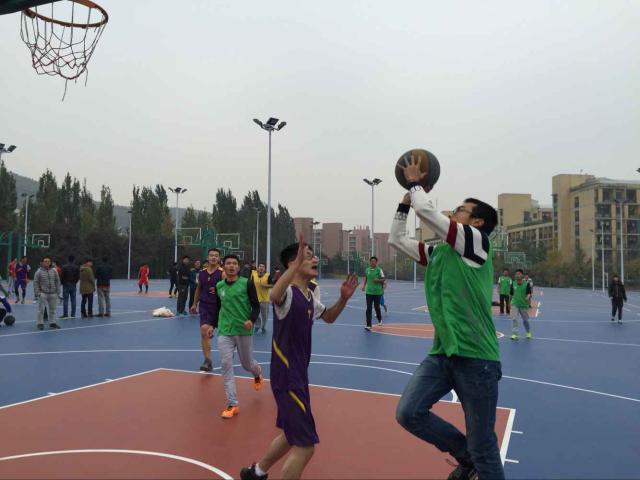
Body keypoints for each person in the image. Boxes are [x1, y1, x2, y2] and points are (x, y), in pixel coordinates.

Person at [389, 155, 504, 480]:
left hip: (477, 358)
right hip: (443, 353)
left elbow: (429, 213)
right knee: (409, 413)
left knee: (484, 445)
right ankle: (467, 457)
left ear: (477, 222)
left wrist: (416, 184)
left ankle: (475, 457)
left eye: (460, 210)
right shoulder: (440, 251)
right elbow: (396, 240)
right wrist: (404, 204)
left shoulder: (477, 244)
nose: (453, 212)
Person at [240, 239, 358, 480]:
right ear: (293, 263)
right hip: (288, 377)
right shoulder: (288, 294)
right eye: (309, 255)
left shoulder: (309, 295)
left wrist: (344, 298)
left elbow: (329, 317)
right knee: (305, 446)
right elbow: (274, 295)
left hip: (298, 375)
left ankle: (257, 472)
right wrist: (293, 268)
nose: (315, 259)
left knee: (290, 433)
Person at [213, 254, 263, 419]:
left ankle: (257, 372)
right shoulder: (219, 286)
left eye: (234, 263)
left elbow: (256, 306)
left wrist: (251, 320)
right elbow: (218, 307)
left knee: (247, 364)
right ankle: (233, 403)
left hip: (243, 330)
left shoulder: (246, 283)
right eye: (228, 263)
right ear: (224, 266)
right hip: (225, 330)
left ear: (238, 267)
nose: (231, 266)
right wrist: (212, 325)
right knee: (226, 364)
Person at [191, 249, 224, 372]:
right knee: (204, 331)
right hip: (204, 305)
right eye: (211, 255)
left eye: (216, 256)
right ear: (208, 257)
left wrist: (219, 290)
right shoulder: (202, 273)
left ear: (219, 258)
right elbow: (199, 288)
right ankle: (207, 360)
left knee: (225, 335)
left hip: (219, 307)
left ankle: (229, 353)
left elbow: (228, 289)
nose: (213, 257)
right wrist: (194, 303)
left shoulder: (222, 273)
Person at [33, 256, 61, 330]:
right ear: (42, 262)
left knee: (52, 310)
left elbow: (57, 281)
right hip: (43, 293)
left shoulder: (54, 271)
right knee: (41, 310)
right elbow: (35, 282)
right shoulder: (38, 272)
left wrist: (58, 292)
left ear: (50, 262)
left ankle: (52, 323)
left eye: (48, 261)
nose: (47, 262)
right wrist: (38, 293)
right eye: (45, 261)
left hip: (53, 293)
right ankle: (40, 323)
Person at [362, 256, 385, 330]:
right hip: (369, 292)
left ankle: (379, 319)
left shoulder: (379, 270)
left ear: (376, 262)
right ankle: (368, 325)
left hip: (377, 292)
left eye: (374, 261)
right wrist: (363, 286)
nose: (373, 262)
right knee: (368, 308)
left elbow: (383, 279)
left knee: (376, 307)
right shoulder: (367, 270)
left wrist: (377, 280)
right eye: (372, 261)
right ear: (370, 262)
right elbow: (366, 278)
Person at [510, 269, 532, 340]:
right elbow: (511, 294)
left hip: (523, 305)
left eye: (519, 274)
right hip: (515, 304)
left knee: (525, 320)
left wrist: (528, 297)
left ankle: (528, 332)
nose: (517, 275)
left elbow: (529, 293)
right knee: (514, 319)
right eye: (516, 274)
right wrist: (509, 303)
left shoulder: (527, 284)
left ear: (522, 275)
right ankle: (514, 334)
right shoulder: (513, 283)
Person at [251, 262, 271, 334]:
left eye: (263, 266)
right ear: (258, 268)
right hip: (255, 298)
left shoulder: (268, 276)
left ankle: (263, 326)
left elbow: (272, 285)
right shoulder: (253, 274)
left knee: (264, 315)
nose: (261, 268)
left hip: (265, 299)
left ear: (264, 269)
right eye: (260, 266)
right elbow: (250, 284)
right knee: (255, 314)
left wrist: (265, 286)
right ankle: (257, 326)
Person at [59, 255, 80, 319]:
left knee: (65, 300)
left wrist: (62, 283)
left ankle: (65, 314)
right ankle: (73, 314)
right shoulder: (76, 267)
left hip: (66, 284)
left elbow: (62, 276)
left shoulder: (64, 267)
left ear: (68, 259)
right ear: (74, 260)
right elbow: (78, 277)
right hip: (73, 284)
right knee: (73, 300)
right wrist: (75, 282)